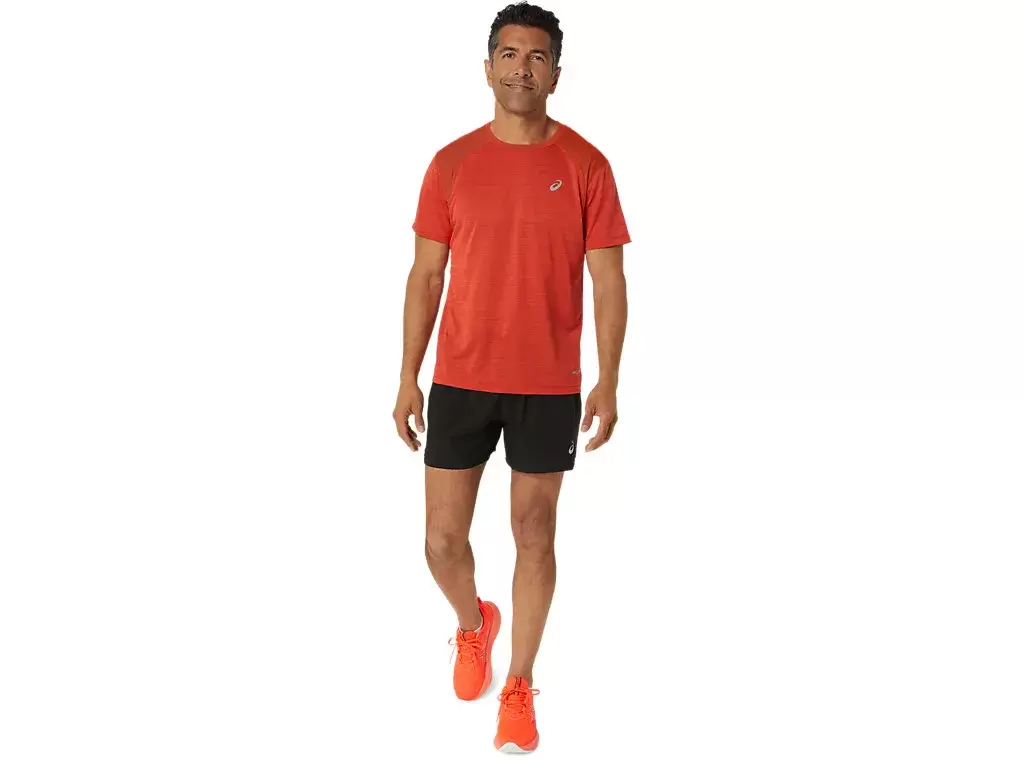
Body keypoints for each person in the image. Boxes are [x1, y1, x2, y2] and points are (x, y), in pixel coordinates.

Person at [392, 2, 630, 754]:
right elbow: (426, 276)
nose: (521, 68)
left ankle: (519, 685)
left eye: (537, 57)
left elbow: (609, 281)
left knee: (534, 532)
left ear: (555, 74)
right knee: (441, 542)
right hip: (461, 377)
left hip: (548, 385)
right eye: (509, 54)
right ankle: (474, 624)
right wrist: (407, 376)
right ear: (487, 67)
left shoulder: (586, 165)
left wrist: (609, 380)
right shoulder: (451, 164)